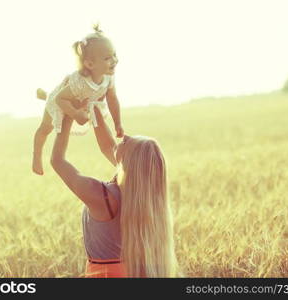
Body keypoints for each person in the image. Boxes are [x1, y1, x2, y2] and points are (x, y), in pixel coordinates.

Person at [50, 110, 179, 278]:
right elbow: (106, 146)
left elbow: (57, 160)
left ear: (130, 161)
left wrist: (65, 116)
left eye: (128, 142)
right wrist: (92, 107)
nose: (125, 136)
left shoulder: (100, 195)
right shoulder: (141, 194)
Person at [33, 24, 124, 175]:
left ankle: (118, 165)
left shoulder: (108, 77)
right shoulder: (81, 82)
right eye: (108, 58)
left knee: (102, 131)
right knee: (45, 128)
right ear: (89, 64)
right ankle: (36, 156)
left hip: (84, 103)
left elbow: (112, 99)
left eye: (114, 55)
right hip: (62, 102)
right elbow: (60, 99)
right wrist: (75, 114)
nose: (114, 60)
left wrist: (118, 123)